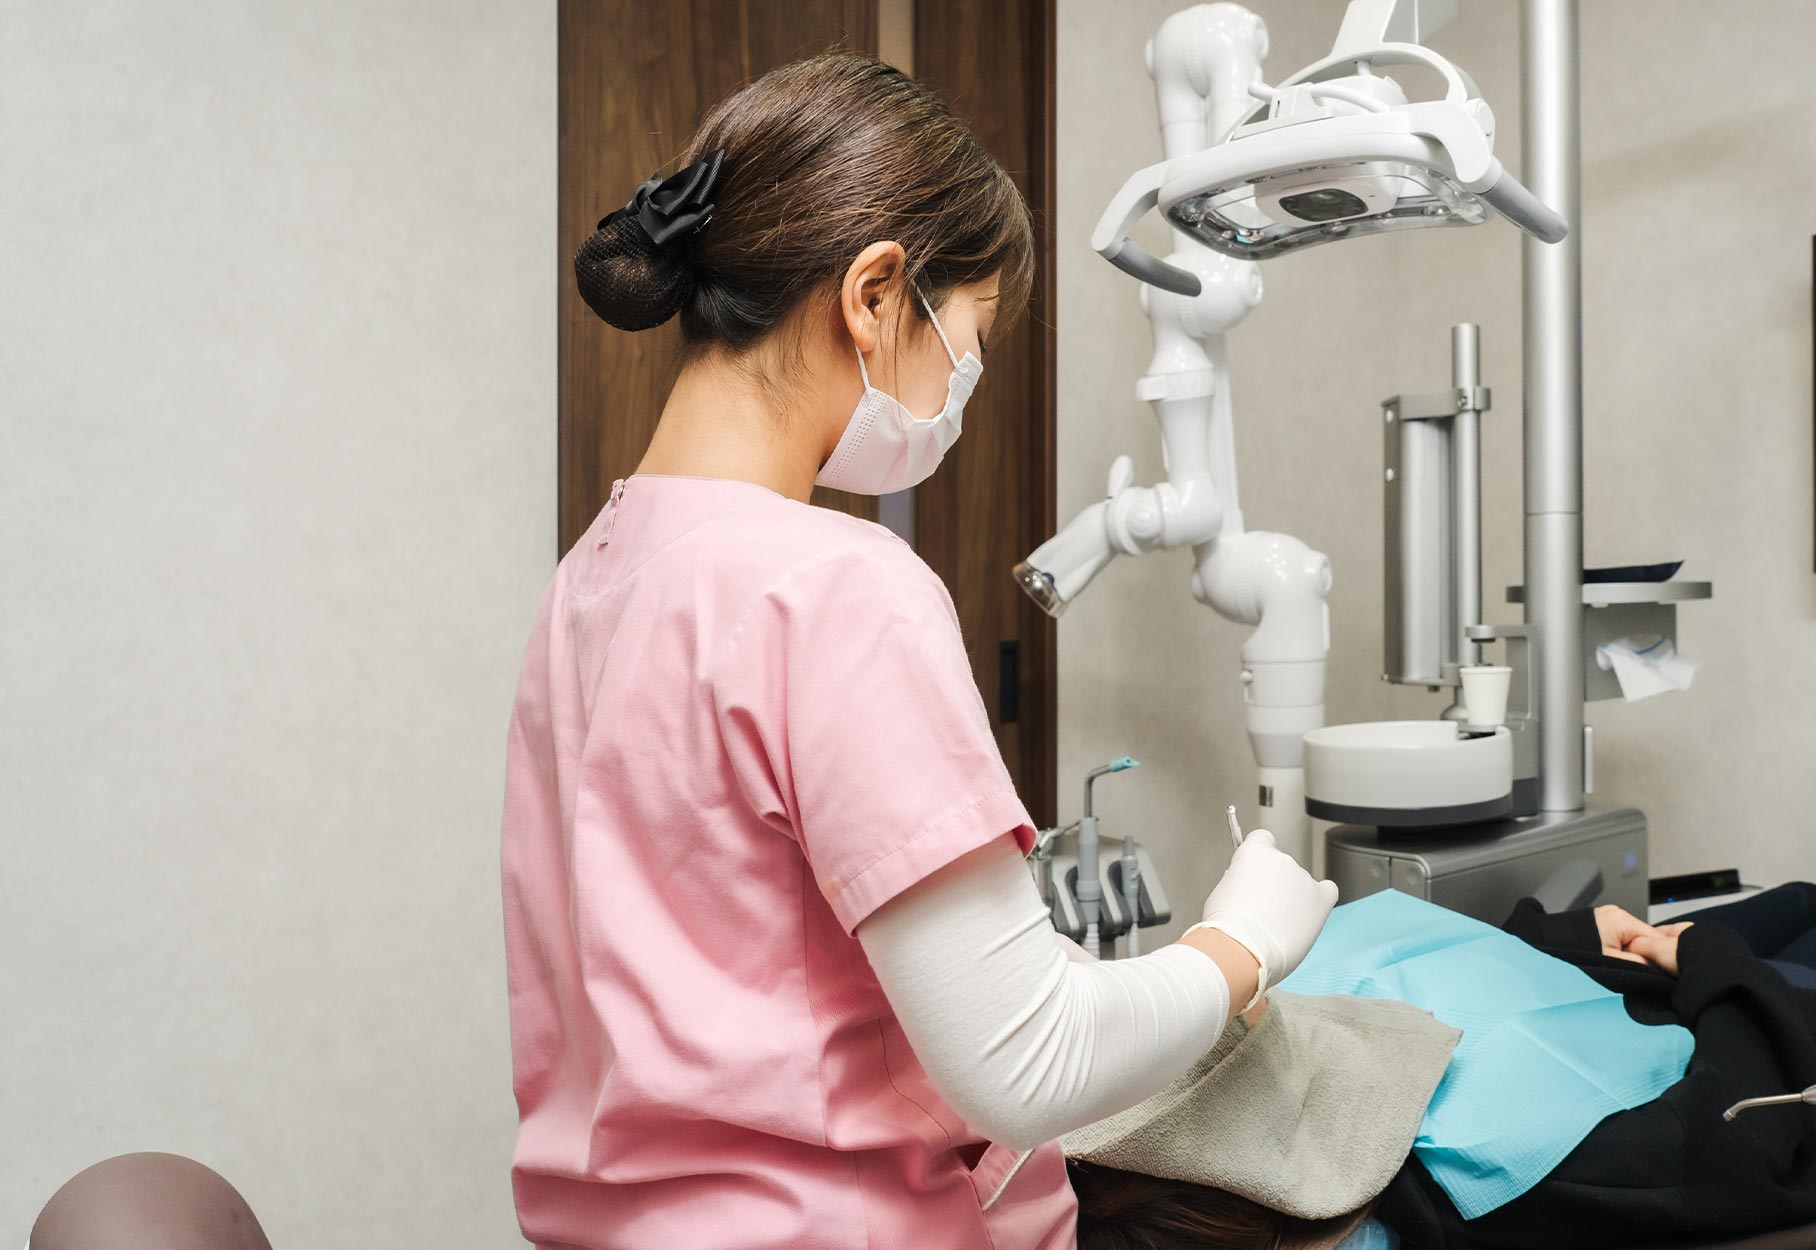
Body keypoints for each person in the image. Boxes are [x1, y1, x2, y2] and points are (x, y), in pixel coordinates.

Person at [498, 53, 1339, 1250]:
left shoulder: (588, 578)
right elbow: (1030, 1061)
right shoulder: (833, 586)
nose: (964, 386)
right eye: (970, 337)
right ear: (876, 292)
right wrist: (1238, 945)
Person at [1066, 884, 1816, 1250]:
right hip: (1755, 1023)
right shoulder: (1510, 1160)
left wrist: (1563, 937)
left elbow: (1388, 949)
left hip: (1609, 977)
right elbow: (1749, 1121)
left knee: (1803, 899)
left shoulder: (1173, 1109)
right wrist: (1710, 961)